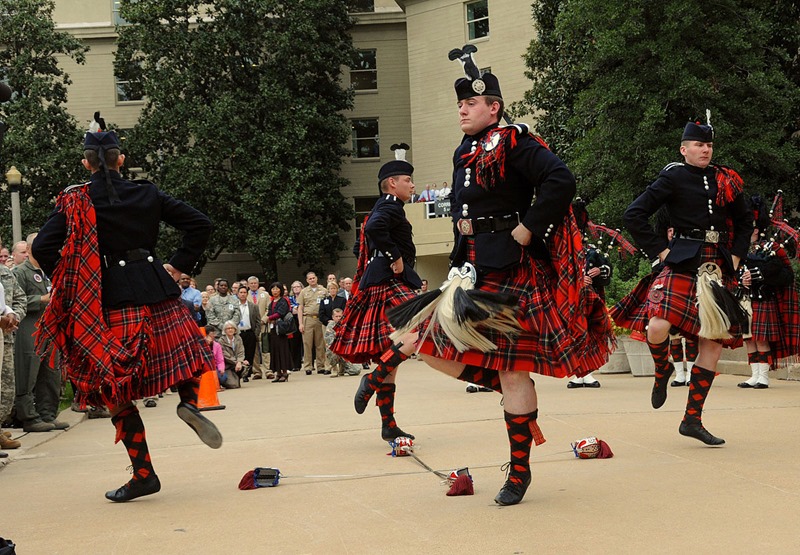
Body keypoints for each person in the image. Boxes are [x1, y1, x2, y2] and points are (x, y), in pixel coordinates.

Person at [391, 49, 613, 506]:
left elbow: (560, 180)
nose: (462, 110)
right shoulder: (464, 149)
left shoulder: (515, 141)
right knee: (424, 347)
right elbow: (463, 212)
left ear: (493, 107)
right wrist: (456, 260)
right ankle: (516, 395)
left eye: (471, 104)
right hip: (470, 267)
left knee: (513, 372)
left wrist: (528, 227)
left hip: (512, 268)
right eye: (459, 105)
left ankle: (519, 472)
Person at [32, 130, 221, 502]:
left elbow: (42, 246)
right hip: (157, 287)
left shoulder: (77, 199)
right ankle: (189, 403)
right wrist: (180, 266)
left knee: (114, 386)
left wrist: (73, 283)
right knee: (186, 355)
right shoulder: (147, 193)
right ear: (122, 160)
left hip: (108, 299)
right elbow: (200, 223)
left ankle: (144, 473)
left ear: (86, 163)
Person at [622, 117, 752, 446]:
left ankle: (692, 420)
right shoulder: (674, 176)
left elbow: (745, 219)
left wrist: (736, 256)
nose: (705, 149)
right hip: (681, 260)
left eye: (708, 144)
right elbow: (634, 214)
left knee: (712, 342)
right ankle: (662, 367)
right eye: (698, 144)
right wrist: (660, 251)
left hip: (717, 264)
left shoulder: (726, 179)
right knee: (657, 326)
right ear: (684, 149)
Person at [331, 155, 422, 442]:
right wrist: (394, 257)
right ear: (392, 184)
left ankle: (388, 424)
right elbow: (372, 230)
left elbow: (363, 244)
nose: (412, 185)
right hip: (389, 281)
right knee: (416, 334)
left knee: (391, 354)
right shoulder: (390, 207)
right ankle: (370, 381)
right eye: (408, 180)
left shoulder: (384, 207)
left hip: (381, 281)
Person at [738, 195, 799, 389]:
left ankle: (763, 376)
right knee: (749, 339)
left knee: (761, 339)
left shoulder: (770, 248)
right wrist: (741, 279)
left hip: (764, 299)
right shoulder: (739, 249)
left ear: (755, 229)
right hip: (745, 300)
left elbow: (786, 275)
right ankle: (754, 375)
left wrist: (757, 275)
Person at [13, 232, 69, 432]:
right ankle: (29, 417)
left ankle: (48, 414)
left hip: (50, 328)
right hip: (30, 328)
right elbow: (15, 302)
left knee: (51, 373)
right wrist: (39, 299)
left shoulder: (48, 271)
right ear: (28, 250)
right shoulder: (20, 272)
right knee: (28, 373)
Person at [297, 272, 328, 375]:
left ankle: (320, 366)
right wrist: (300, 323)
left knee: (320, 344)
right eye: (309, 279)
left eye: (313, 278)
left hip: (319, 319)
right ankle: (308, 366)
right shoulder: (304, 292)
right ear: (307, 280)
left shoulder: (323, 290)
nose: (312, 280)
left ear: (316, 278)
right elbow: (300, 308)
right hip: (308, 318)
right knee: (307, 343)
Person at [264, 282, 294, 383]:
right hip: (273, 329)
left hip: (281, 328)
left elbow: (281, 313)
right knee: (275, 350)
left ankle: (285, 372)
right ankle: (278, 372)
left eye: (277, 289)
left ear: (280, 290)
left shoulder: (283, 301)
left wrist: (269, 318)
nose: (275, 291)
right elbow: (269, 312)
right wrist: (268, 317)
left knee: (282, 350)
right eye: (273, 289)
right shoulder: (271, 302)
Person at [235, 285, 260, 382]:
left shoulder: (253, 306)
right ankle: (238, 373)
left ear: (247, 294)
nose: (242, 294)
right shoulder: (234, 305)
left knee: (249, 354)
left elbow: (258, 321)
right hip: (238, 333)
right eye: (240, 292)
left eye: (244, 292)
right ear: (237, 294)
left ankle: (246, 374)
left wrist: (256, 333)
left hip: (249, 333)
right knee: (239, 354)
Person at [325, 308, 360, 377]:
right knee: (332, 350)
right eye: (336, 316)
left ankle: (343, 367)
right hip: (335, 350)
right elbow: (330, 342)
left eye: (340, 316)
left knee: (355, 371)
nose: (338, 318)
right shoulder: (330, 326)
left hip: (345, 351)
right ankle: (334, 368)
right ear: (332, 317)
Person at [219, 320, 247, 388]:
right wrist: (237, 362)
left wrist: (240, 361)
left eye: (232, 328)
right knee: (234, 385)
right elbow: (225, 355)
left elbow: (241, 351)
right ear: (225, 330)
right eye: (228, 328)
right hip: (227, 366)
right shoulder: (221, 341)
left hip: (237, 364)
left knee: (246, 367)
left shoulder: (238, 338)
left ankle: (236, 377)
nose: (230, 330)